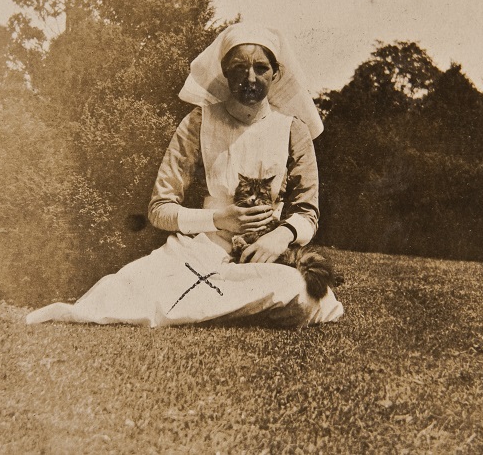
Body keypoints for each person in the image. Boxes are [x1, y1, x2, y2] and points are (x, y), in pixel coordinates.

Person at [26, 23, 344, 327]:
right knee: (124, 288)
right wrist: (219, 219)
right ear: (224, 73)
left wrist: (279, 237)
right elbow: (159, 209)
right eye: (238, 68)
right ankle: (237, 304)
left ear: (276, 73)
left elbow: (307, 211)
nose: (250, 77)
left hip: (269, 254)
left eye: (260, 68)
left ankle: (205, 306)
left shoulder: (292, 129)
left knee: (299, 290)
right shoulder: (197, 122)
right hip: (201, 251)